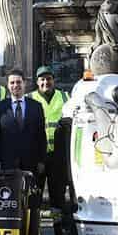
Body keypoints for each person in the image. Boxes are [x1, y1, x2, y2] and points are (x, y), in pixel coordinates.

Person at [0, 69, 48, 176]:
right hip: (6, 164)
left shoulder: (36, 106)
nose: (15, 85)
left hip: (31, 163)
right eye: (12, 83)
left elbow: (41, 135)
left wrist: (41, 160)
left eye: (19, 82)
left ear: (25, 83)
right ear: (8, 85)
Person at [29, 66, 71, 224]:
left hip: (58, 156)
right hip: (37, 156)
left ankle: (59, 232)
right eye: (42, 79)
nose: (45, 82)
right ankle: (34, 231)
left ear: (53, 80)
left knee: (58, 197)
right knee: (34, 196)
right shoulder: (30, 98)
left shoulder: (65, 97)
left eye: (48, 79)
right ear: (37, 82)